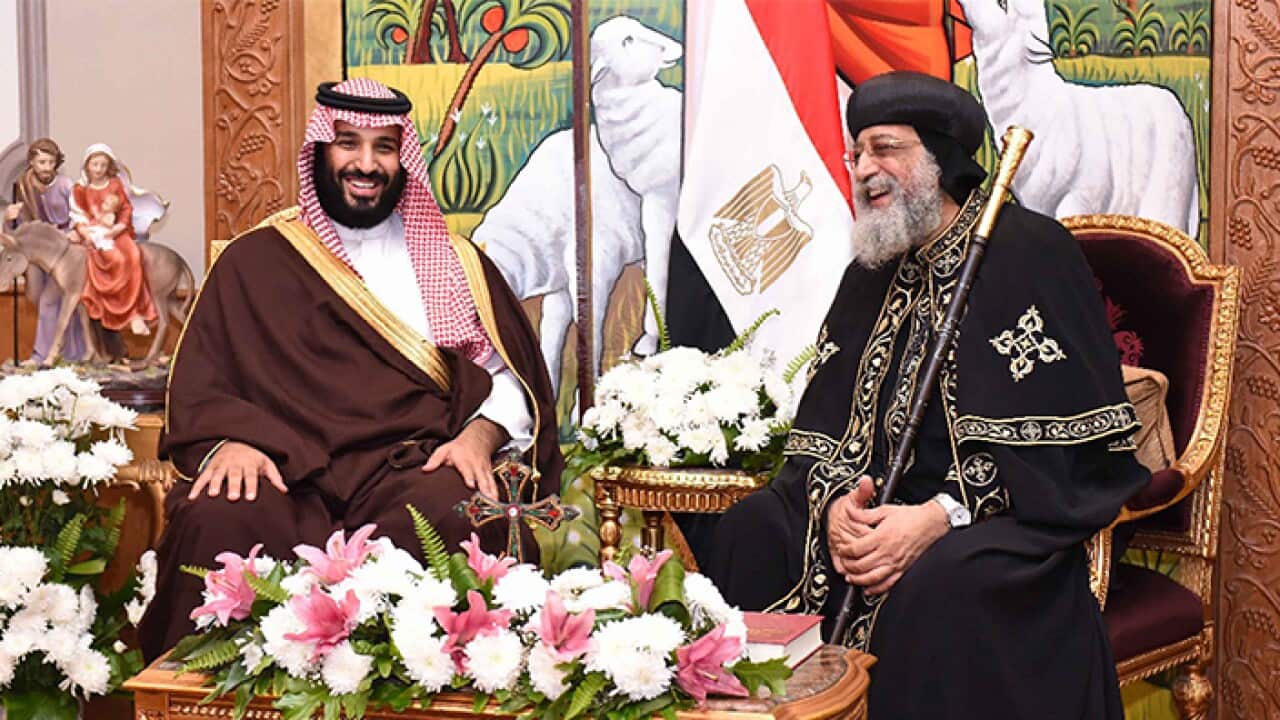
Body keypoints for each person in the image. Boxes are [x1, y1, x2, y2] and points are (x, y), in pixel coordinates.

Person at [706, 71, 1149, 719]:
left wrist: (940, 516)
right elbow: (824, 428)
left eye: (886, 148)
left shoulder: (1030, 252)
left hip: (997, 518)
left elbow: (1071, 454)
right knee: (751, 529)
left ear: (941, 157)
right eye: (857, 153)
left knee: (944, 584)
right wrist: (837, 509)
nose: (865, 169)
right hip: (871, 506)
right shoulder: (872, 266)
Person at [138, 78, 562, 661]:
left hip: (409, 463)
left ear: (403, 158)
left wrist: (478, 437)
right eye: (348, 143)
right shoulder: (255, 260)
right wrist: (226, 442)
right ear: (320, 149)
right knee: (222, 520)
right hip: (283, 467)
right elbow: (203, 381)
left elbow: (512, 378)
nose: (366, 164)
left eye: (384, 147)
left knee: (455, 515)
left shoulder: (455, 264)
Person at [4, 138, 89, 362]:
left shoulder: (65, 185)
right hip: (37, 249)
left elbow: (79, 213)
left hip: (62, 248)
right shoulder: (24, 184)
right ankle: (65, 351)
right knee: (34, 295)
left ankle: (45, 354)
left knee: (51, 299)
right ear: (32, 161)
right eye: (41, 162)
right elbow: (18, 227)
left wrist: (74, 230)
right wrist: (9, 217)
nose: (46, 167)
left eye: (50, 162)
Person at [70, 144, 157, 347]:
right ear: (87, 165)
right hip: (93, 233)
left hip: (116, 232)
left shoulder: (115, 184)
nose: (98, 169)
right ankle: (109, 307)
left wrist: (118, 227)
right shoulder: (80, 189)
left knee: (133, 256)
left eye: (103, 164)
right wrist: (85, 232)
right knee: (113, 259)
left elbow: (126, 208)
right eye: (95, 164)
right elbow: (78, 214)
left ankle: (134, 313)